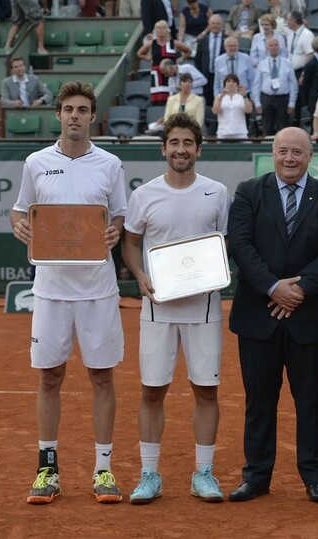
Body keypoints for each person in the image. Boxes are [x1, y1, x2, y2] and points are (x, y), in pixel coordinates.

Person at [11, 81, 127, 505]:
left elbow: (119, 218)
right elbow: (21, 210)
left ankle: (103, 469)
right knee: (50, 376)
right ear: (57, 115)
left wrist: (115, 231)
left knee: (102, 376)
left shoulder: (110, 164)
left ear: (92, 116)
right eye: (68, 109)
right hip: (51, 289)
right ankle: (47, 468)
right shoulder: (35, 162)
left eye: (82, 109)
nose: (75, 116)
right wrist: (18, 224)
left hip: (98, 289)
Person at [122, 112, 229, 505]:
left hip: (204, 310)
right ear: (163, 148)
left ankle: (204, 473)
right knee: (152, 391)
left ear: (198, 149)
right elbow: (130, 243)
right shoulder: (143, 195)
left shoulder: (216, 192)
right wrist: (139, 275)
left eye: (188, 143)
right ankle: (149, 473)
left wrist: (210, 273)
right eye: (174, 143)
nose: (181, 149)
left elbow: (225, 244)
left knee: (206, 391)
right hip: (157, 308)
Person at [227, 127, 318, 504]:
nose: (289, 159)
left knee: (311, 400)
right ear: (272, 153)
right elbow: (240, 244)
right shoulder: (249, 192)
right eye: (282, 152)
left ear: (310, 156)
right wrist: (274, 288)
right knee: (259, 401)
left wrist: (301, 288)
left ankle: (315, 476)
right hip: (259, 317)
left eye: (297, 152)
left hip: (309, 316)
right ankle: (256, 476)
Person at [138, 20, 193, 105]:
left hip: (171, 72)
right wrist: (149, 58)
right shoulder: (152, 43)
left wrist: (180, 59)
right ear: (156, 30)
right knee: (158, 99)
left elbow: (188, 51)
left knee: (173, 97)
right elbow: (139, 53)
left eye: (164, 28)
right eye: (159, 28)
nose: (161, 30)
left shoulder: (173, 42)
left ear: (167, 29)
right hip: (157, 73)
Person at [253, 36, 298, 136]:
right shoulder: (262, 64)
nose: (273, 47)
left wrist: (292, 102)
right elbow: (256, 84)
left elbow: (293, 84)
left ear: (279, 47)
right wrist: (257, 103)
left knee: (282, 128)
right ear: (267, 48)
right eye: (271, 45)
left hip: (282, 98)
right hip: (267, 98)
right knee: (267, 127)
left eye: (275, 45)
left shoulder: (287, 63)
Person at [194, 14, 226, 105]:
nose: (215, 26)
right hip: (207, 76)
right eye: (213, 23)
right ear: (209, 25)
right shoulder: (203, 40)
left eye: (217, 24)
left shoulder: (227, 39)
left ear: (221, 25)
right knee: (208, 101)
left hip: (222, 76)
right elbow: (198, 60)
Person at [213, 73, 253, 139]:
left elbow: (249, 110)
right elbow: (215, 111)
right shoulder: (219, 97)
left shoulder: (242, 97)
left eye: (234, 82)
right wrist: (220, 98)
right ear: (224, 84)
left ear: (237, 85)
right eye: (228, 81)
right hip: (223, 133)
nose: (231, 83)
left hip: (240, 133)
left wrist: (245, 96)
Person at [285, 10, 315, 76]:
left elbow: (310, 54)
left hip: (301, 71)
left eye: (287, 20)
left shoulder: (307, 34)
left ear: (293, 20)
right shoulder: (291, 35)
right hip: (290, 70)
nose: (286, 22)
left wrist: (304, 72)